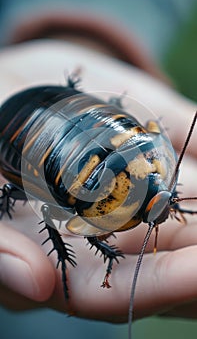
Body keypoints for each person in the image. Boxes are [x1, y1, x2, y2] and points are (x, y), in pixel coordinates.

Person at [0, 37, 197, 325]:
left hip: (56, 108)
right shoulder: (149, 162)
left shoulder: (147, 159)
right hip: (16, 135)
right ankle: (74, 263)